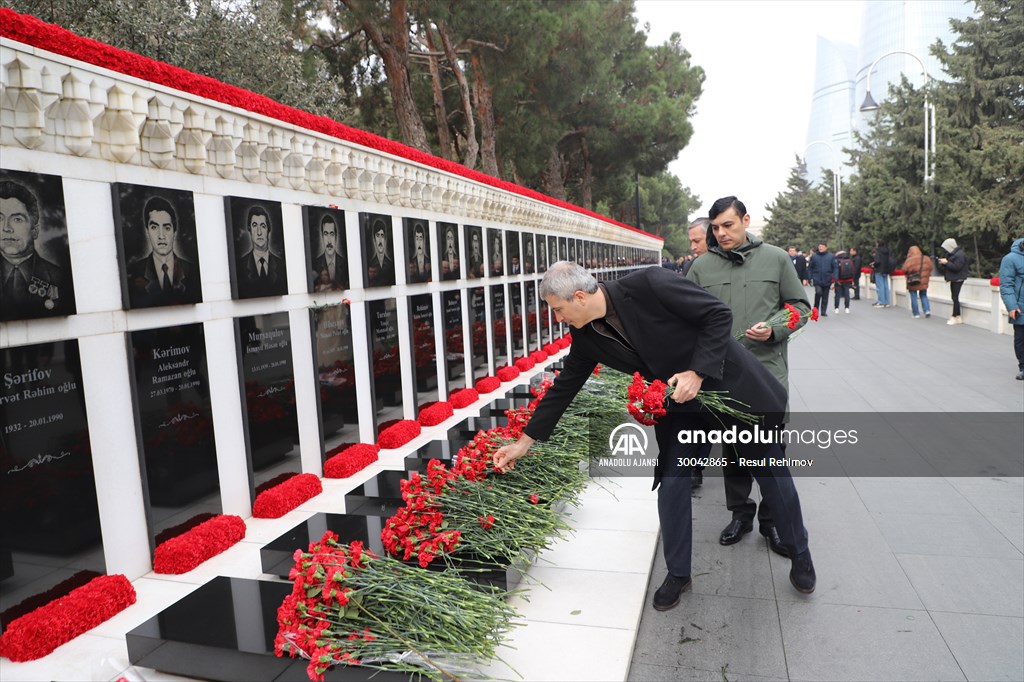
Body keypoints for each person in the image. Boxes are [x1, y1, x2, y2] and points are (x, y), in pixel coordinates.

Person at [492, 261, 816, 611]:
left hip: (729, 389)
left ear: (580, 297)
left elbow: (718, 315)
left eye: (558, 309)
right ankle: (678, 573)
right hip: (682, 409)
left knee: (769, 472)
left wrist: (697, 371)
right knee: (674, 481)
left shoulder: (650, 284)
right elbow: (566, 385)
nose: (557, 318)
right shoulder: (586, 337)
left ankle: (800, 551)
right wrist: (524, 442)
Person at [687, 196, 811, 558]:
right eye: (715, 228)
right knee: (735, 450)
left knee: (772, 453)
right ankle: (741, 515)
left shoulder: (776, 258)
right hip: (723, 378)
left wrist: (773, 328)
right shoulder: (701, 267)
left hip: (767, 374)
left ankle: (773, 522)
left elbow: (800, 307)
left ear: (745, 220)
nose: (722, 233)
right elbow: (686, 317)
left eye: (729, 225)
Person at [0, 179, 72, 320]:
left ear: (34, 230)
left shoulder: (60, 278)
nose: (6, 228)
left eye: (17, 219)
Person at [126, 196, 201, 308]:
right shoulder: (134, 272)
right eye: (154, 227)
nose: (161, 236)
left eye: (167, 228)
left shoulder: (191, 271)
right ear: (147, 231)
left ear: (174, 232)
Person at [236, 204, 286, 298]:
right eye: (255, 226)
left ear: (268, 230)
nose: (259, 232)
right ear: (249, 230)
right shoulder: (240, 266)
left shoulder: (281, 265)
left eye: (263, 226)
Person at [998, 238, 1024, 380]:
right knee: (1020, 339)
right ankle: (1023, 366)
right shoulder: (1010, 259)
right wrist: (1012, 306)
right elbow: (1006, 285)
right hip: (1020, 306)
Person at [311, 213, 347, 291]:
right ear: (322, 237)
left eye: (332, 234)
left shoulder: (344, 262)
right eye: (326, 234)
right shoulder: (316, 262)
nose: (329, 240)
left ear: (336, 236)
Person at [938, 237, 969, 325]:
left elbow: (956, 267)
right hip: (955, 278)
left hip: (958, 278)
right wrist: (945, 263)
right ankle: (958, 316)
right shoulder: (955, 254)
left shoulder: (960, 255)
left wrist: (946, 263)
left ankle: (954, 316)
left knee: (955, 298)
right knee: (954, 297)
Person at [901, 245, 932, 319]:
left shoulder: (910, 260)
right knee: (923, 295)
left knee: (913, 296)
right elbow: (931, 267)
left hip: (913, 280)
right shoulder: (925, 258)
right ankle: (927, 310)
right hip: (923, 280)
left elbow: (904, 270)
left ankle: (916, 313)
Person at [807, 242, 837, 317]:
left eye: (822, 247)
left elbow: (835, 267)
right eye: (820, 246)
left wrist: (836, 277)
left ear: (826, 248)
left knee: (825, 296)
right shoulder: (814, 256)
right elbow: (810, 267)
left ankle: (823, 311)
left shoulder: (831, 256)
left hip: (827, 279)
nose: (821, 248)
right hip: (817, 279)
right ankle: (815, 308)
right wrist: (809, 277)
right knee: (818, 292)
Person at [366, 217, 395, 286]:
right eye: (377, 235)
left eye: (382, 235)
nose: (380, 240)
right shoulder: (370, 259)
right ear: (374, 238)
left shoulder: (390, 261)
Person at [871, 240, 893, 308]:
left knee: (880, 287)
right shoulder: (887, 251)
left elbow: (877, 261)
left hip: (879, 270)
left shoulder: (878, 251)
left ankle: (881, 302)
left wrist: (873, 264)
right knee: (886, 286)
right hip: (886, 270)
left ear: (878, 244)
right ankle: (887, 302)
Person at [833, 249, 855, 314]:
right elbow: (853, 271)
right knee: (847, 294)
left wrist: (835, 280)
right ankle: (847, 308)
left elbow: (835, 271)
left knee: (837, 294)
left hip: (839, 280)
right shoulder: (849, 261)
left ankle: (836, 308)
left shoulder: (837, 261)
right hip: (848, 279)